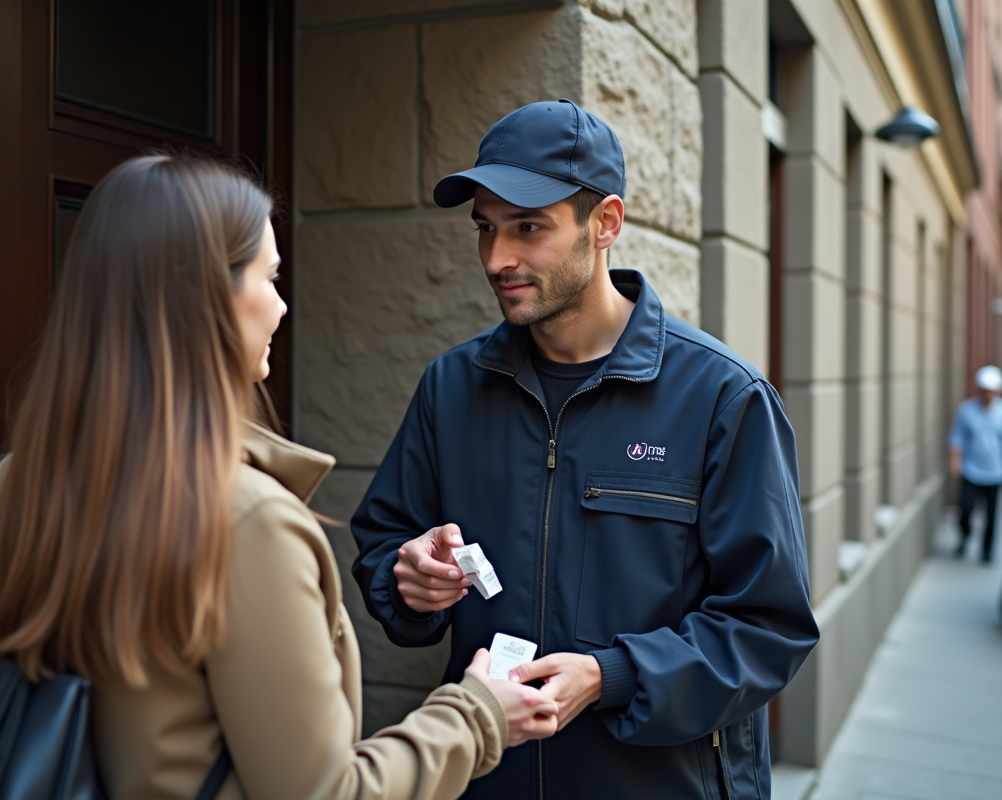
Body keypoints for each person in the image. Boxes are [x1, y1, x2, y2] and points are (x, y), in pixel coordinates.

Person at [0, 153, 560, 800]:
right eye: (268, 277)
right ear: (203, 294)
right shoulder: (250, 522)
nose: (282, 305)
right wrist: (478, 714)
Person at [351, 100, 820, 799]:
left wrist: (614, 676)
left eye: (528, 227)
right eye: (486, 227)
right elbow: (385, 543)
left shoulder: (723, 396)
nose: (497, 258)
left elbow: (767, 627)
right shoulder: (451, 387)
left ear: (605, 225)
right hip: (489, 780)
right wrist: (407, 579)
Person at [949, 365, 1002, 563]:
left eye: (991, 390)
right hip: (971, 469)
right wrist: (955, 460)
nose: (987, 394)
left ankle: (987, 550)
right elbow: (958, 438)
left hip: (995, 471)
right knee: (965, 509)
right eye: (984, 390)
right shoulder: (966, 410)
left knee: (992, 514)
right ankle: (964, 536)